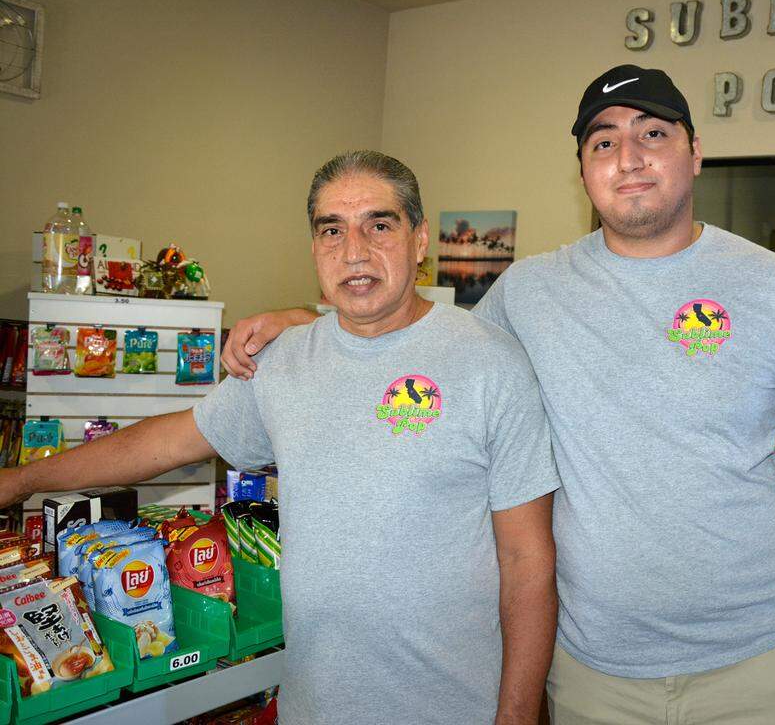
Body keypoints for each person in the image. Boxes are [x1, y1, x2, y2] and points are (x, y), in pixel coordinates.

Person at [222, 67, 775, 724]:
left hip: (757, 671)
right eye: (603, 142)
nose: (628, 157)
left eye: (652, 133)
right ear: (583, 171)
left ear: (695, 152)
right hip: (593, 678)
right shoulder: (530, 292)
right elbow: (419, 341)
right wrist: (305, 322)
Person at [1, 151, 561, 725]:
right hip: (313, 705)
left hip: (452, 707)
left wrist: (516, 715)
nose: (354, 250)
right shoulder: (286, 361)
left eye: (380, 225)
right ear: (315, 247)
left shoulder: (490, 363)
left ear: (419, 241)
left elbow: (528, 562)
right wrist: (22, 480)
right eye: (332, 230)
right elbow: (164, 444)